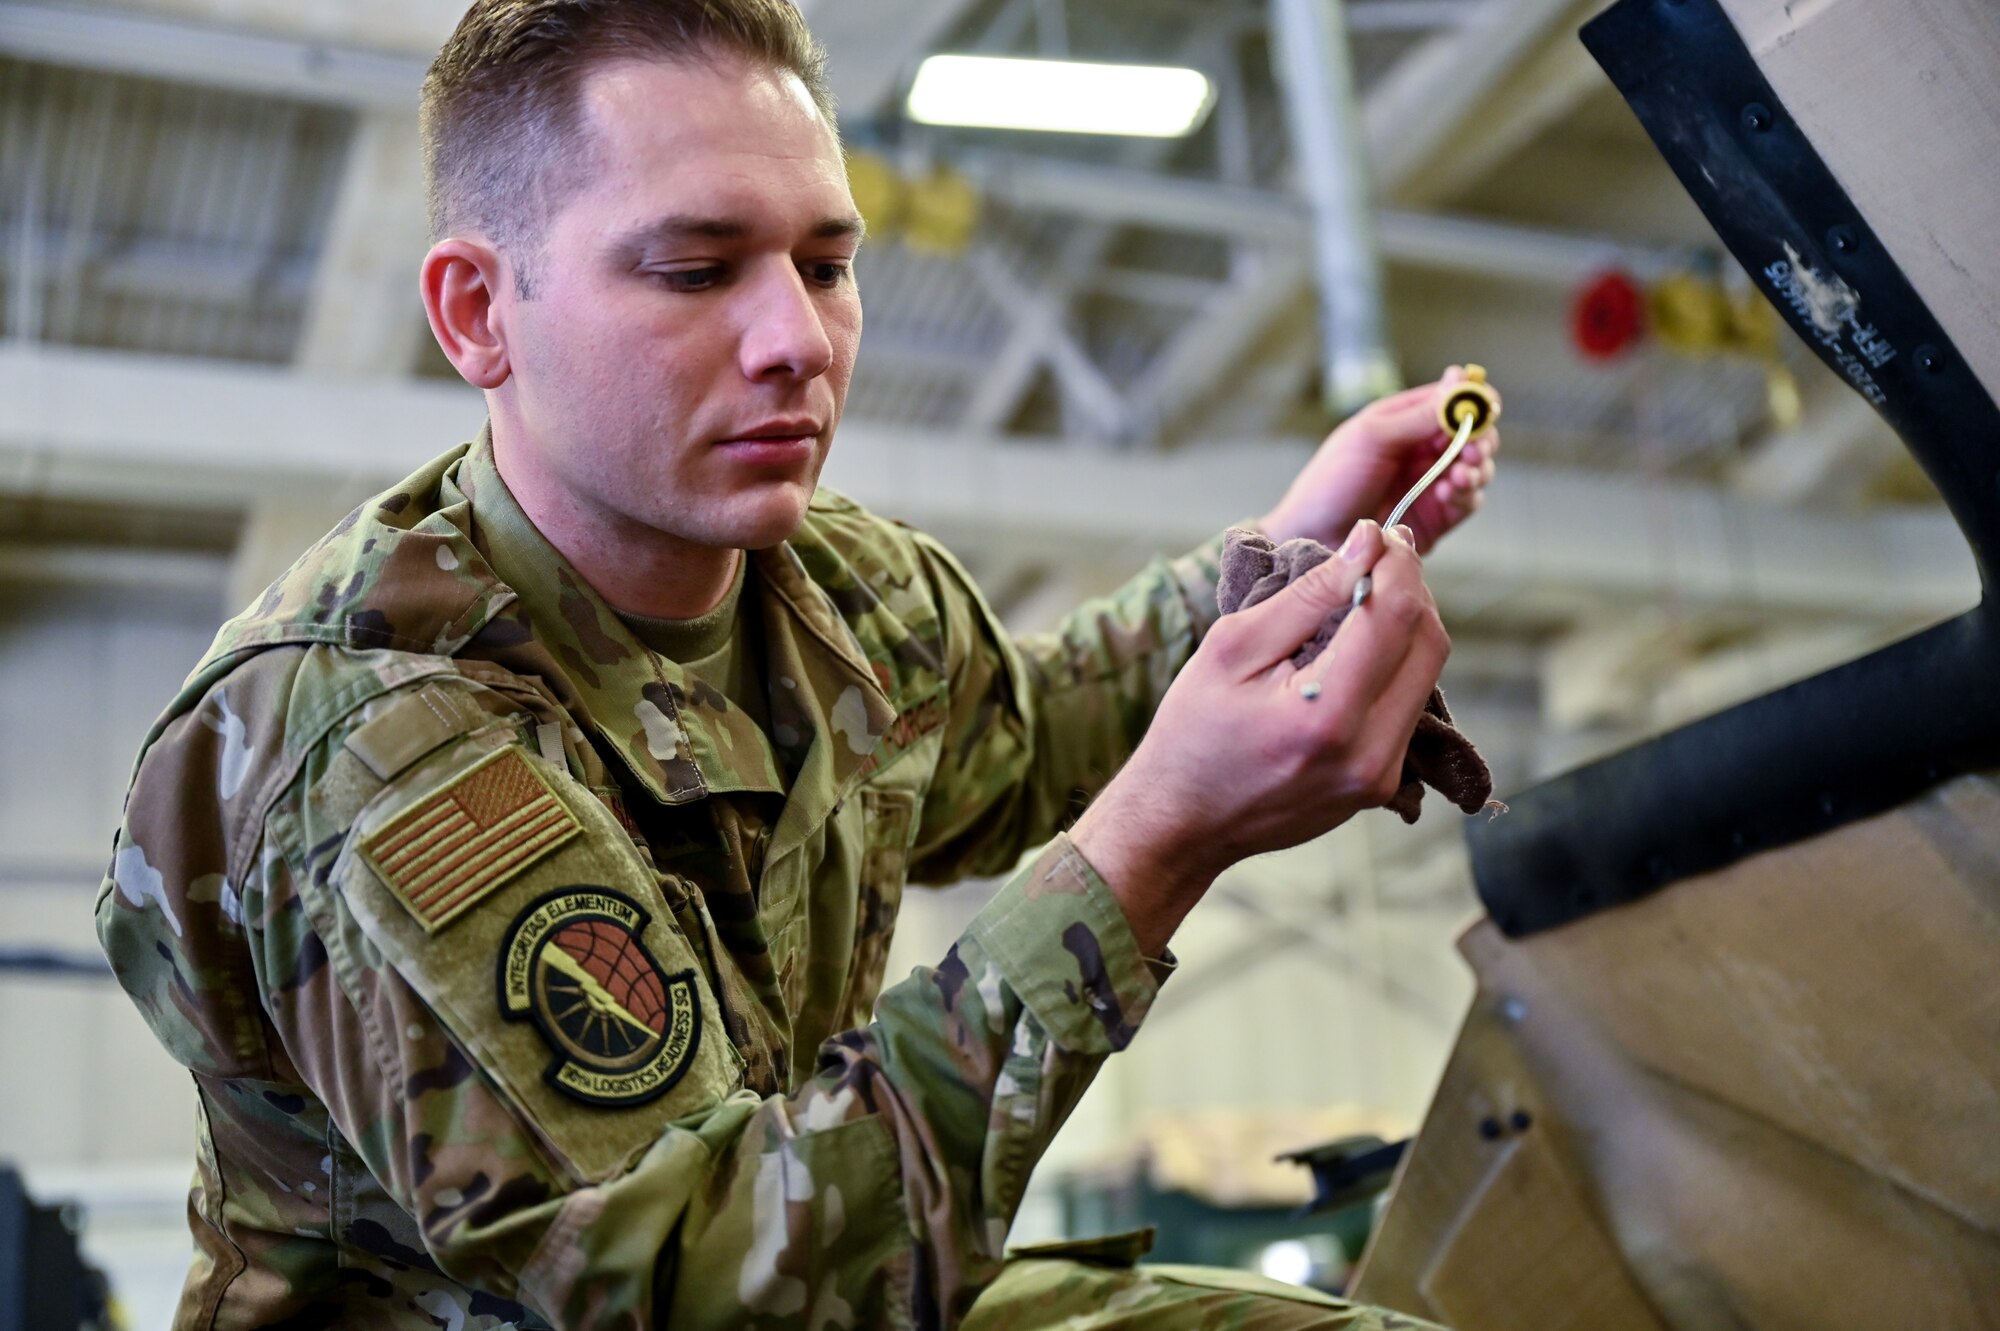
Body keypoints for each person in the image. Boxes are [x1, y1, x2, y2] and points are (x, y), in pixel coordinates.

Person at [95, 2, 1498, 1327]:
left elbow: (1038, 732)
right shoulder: (379, 735)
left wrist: (1288, 547)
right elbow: (714, 1294)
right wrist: (1162, 843)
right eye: (696, 271)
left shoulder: (841, 588)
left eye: (827, 267)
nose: (797, 344)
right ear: (478, 315)